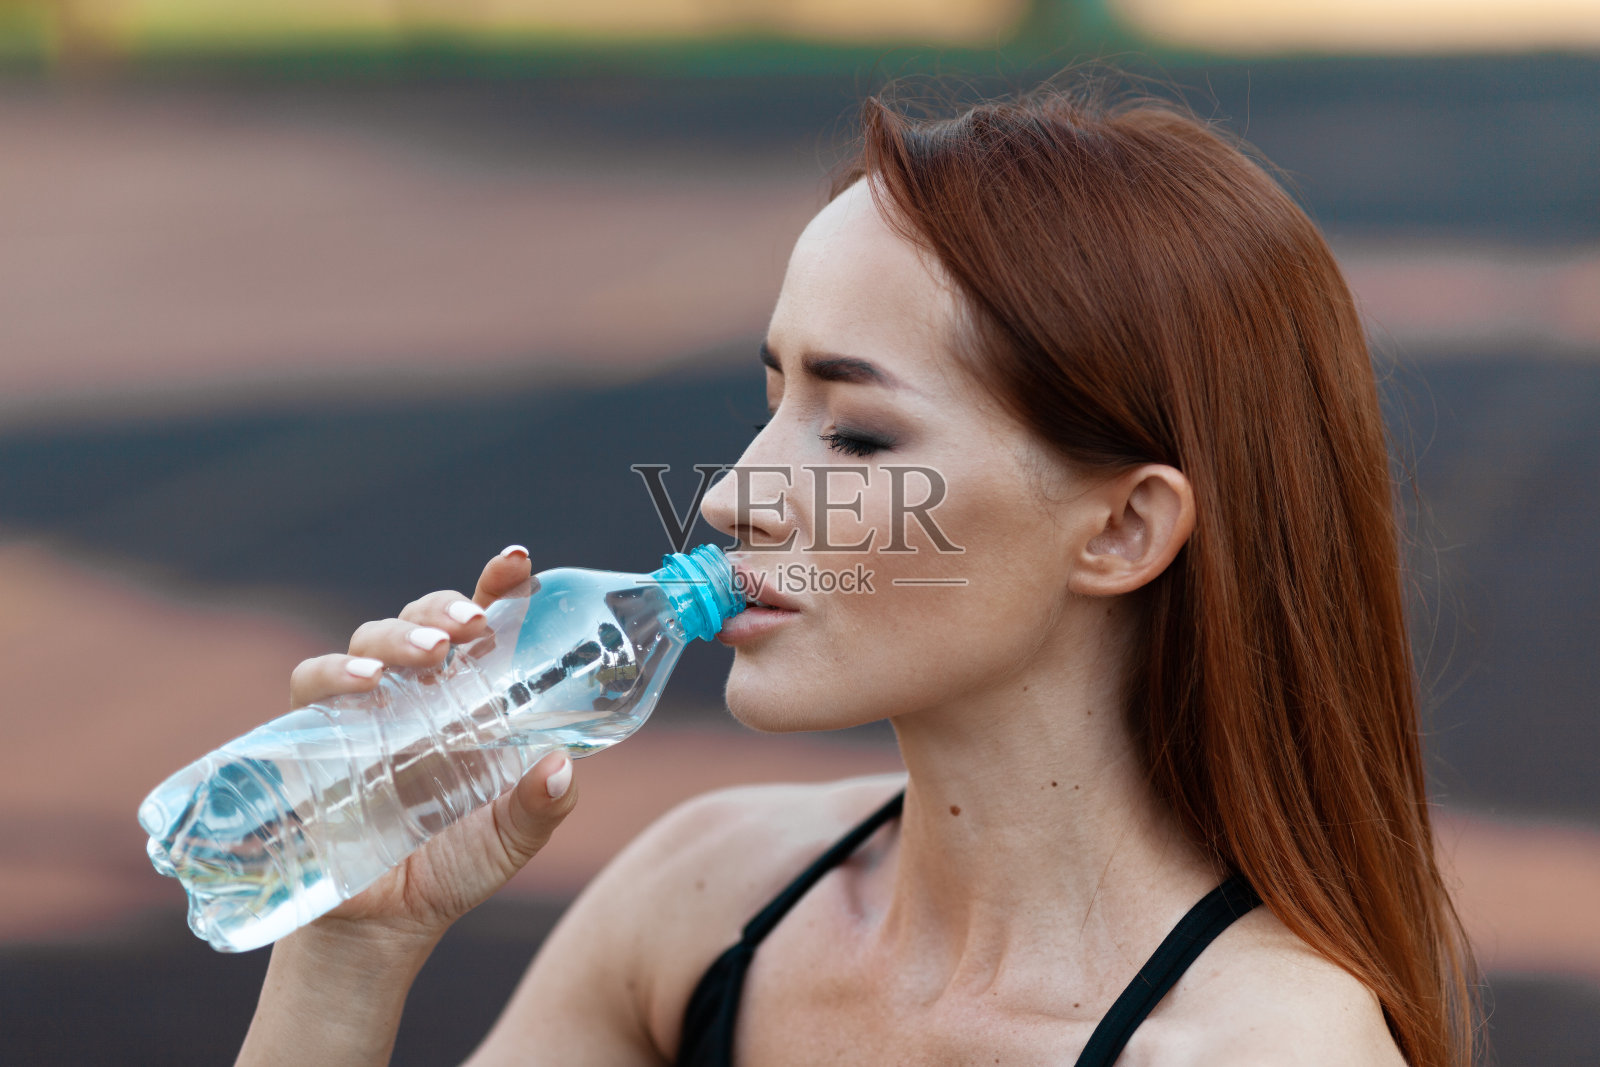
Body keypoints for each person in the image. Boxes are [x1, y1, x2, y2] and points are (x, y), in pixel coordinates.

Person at [237, 77, 1479, 1066]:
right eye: (773, 396)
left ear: (1119, 532)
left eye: (857, 432)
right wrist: (351, 951)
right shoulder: (706, 893)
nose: (729, 495)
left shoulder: (1255, 1048)